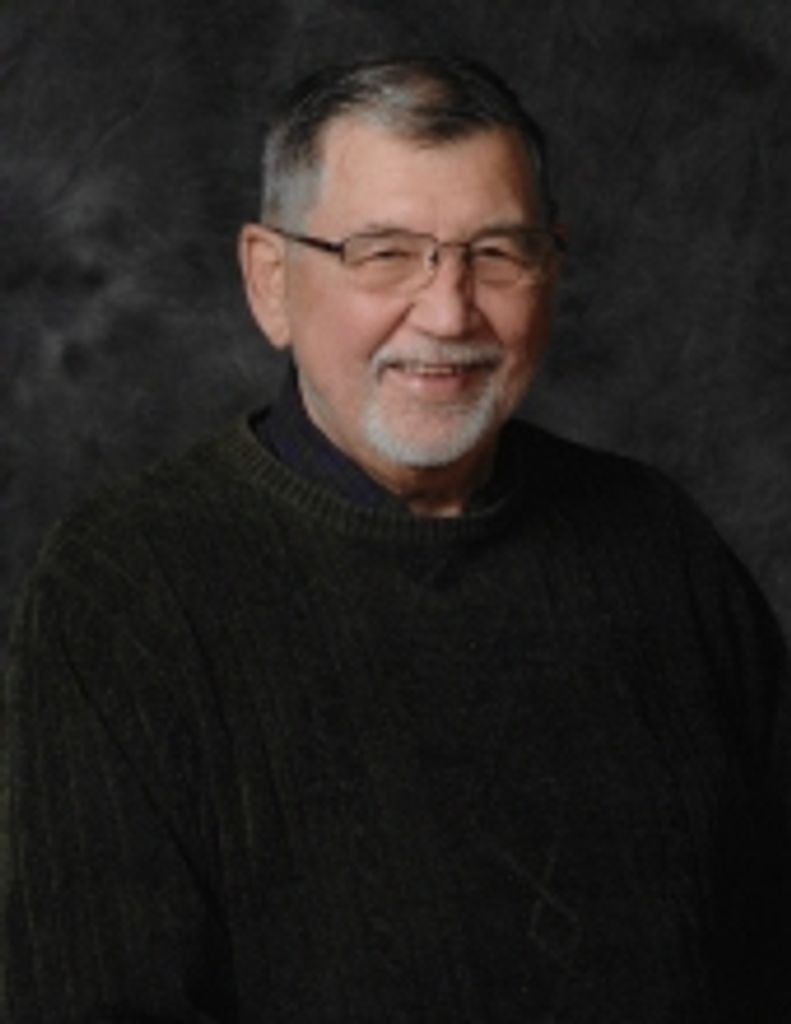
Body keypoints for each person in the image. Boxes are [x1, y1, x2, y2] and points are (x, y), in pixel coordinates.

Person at [5, 56, 789, 1023]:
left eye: (496, 253)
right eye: (383, 254)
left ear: (551, 266)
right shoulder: (127, 588)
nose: (449, 312)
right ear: (270, 282)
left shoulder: (657, 542)